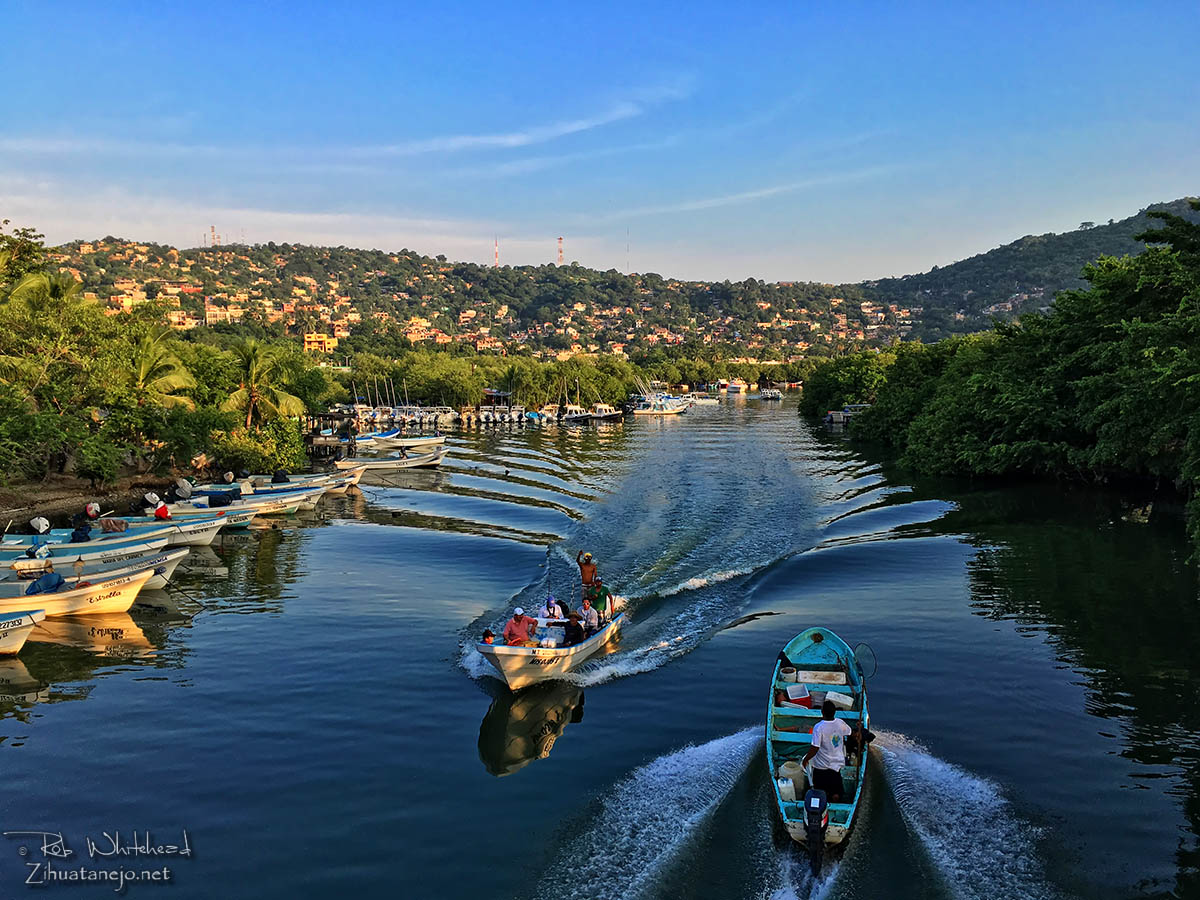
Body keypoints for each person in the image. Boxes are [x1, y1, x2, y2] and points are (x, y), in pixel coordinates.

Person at [802, 700, 852, 802]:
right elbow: (849, 732)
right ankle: (836, 804)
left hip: (821, 766)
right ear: (834, 712)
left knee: (820, 791)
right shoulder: (840, 723)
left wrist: (806, 759)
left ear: (822, 712)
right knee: (836, 792)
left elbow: (815, 747)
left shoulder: (819, 727)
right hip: (836, 765)